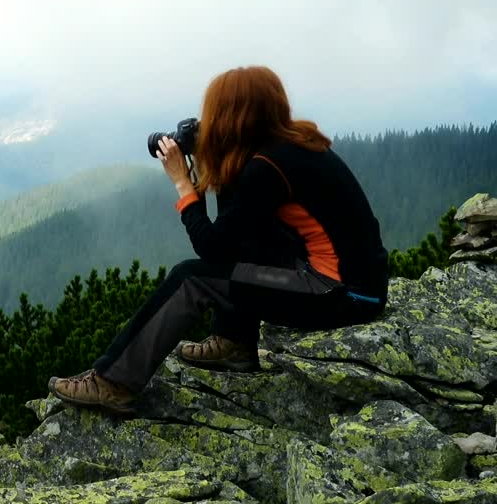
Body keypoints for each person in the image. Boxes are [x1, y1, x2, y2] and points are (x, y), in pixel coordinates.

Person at [48, 65, 389, 413]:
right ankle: (234, 342)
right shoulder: (289, 147)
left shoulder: (265, 168)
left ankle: (113, 382)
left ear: (232, 115)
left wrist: (184, 183)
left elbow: (211, 248)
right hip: (361, 285)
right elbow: (238, 233)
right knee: (245, 244)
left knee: (192, 277)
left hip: (339, 292)